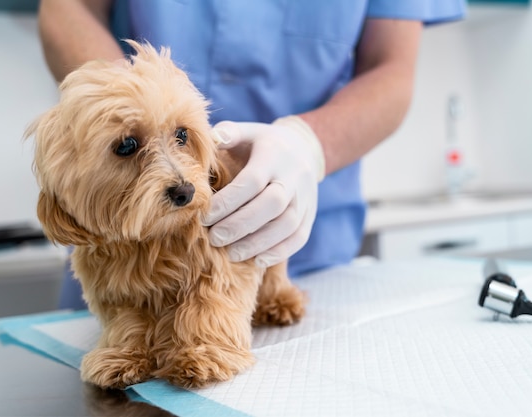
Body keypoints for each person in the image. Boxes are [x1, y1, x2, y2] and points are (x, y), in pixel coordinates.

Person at [38, 0, 466, 309]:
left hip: (314, 241)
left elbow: (391, 69)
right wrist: (119, 103)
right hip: (121, 238)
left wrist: (308, 143)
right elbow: (66, 7)